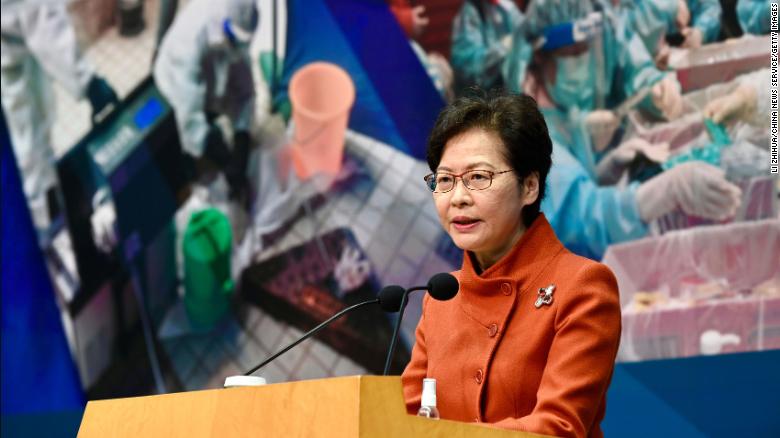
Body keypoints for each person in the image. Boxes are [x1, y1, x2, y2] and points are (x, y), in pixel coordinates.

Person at [401, 92, 622, 437]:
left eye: (478, 177)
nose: (458, 197)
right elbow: (404, 418)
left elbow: (558, 426)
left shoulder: (583, 286)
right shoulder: (440, 299)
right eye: (444, 180)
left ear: (529, 186)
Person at [1, 0, 119, 233]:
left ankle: (45, 209)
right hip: (12, 48)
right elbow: (41, 20)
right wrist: (89, 83)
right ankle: (44, 223)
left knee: (31, 126)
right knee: (27, 144)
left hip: (11, 47)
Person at [153, 0, 258, 200]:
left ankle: (211, 131)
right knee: (191, 134)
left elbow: (246, 92)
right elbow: (190, 116)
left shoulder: (238, 26)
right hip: (174, 83)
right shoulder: (190, 43)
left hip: (208, 71)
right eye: (235, 40)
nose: (240, 47)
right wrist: (223, 156)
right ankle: (187, 163)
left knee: (222, 86)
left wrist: (242, 138)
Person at [510, 0, 683, 121]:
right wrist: (578, 129)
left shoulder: (604, 20)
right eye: (567, 53)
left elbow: (632, 65)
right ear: (539, 57)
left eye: (584, 47)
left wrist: (654, 87)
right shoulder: (524, 76)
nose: (578, 57)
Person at [450, 0, 524, 92]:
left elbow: (525, 31)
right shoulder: (471, 11)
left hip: (509, 90)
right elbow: (467, 68)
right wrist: (503, 48)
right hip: (484, 98)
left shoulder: (505, 5)